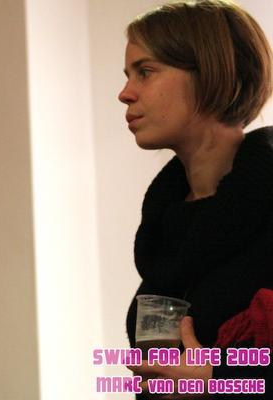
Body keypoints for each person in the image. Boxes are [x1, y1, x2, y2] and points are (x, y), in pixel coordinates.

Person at [118, 0, 273, 398]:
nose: (125, 93)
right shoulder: (168, 223)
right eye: (128, 75)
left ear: (209, 74)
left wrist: (222, 380)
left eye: (145, 72)